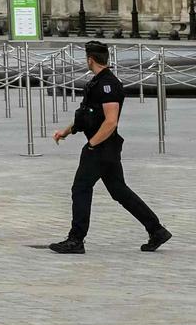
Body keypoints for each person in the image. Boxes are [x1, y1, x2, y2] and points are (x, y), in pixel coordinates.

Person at [47, 40, 169, 255]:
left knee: (81, 189)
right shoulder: (99, 82)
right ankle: (156, 230)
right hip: (105, 147)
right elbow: (87, 116)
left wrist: (92, 145)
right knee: (120, 191)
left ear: (90, 59)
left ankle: (76, 240)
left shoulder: (108, 85)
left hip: (101, 147)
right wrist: (65, 131)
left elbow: (111, 121)